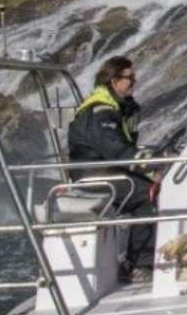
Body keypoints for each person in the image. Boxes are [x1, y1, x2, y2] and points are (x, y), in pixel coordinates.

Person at [66, 56, 157, 284]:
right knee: (147, 193)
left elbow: (122, 149)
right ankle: (140, 265)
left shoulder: (114, 107)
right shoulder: (101, 112)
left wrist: (150, 160)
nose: (133, 83)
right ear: (114, 80)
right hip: (93, 174)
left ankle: (135, 258)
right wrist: (150, 165)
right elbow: (115, 150)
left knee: (145, 184)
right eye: (129, 78)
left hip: (105, 169)